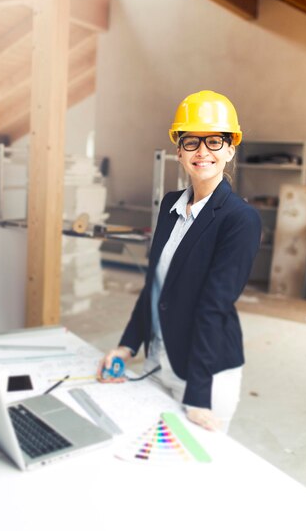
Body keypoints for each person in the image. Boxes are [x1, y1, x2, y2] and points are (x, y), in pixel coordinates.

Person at [97, 90, 261, 433]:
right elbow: (155, 285)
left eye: (215, 141)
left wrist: (198, 396)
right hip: (159, 363)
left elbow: (214, 306)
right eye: (191, 142)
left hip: (205, 376)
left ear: (231, 149)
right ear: (179, 151)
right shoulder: (170, 206)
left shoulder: (240, 219)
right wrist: (127, 347)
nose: (202, 151)